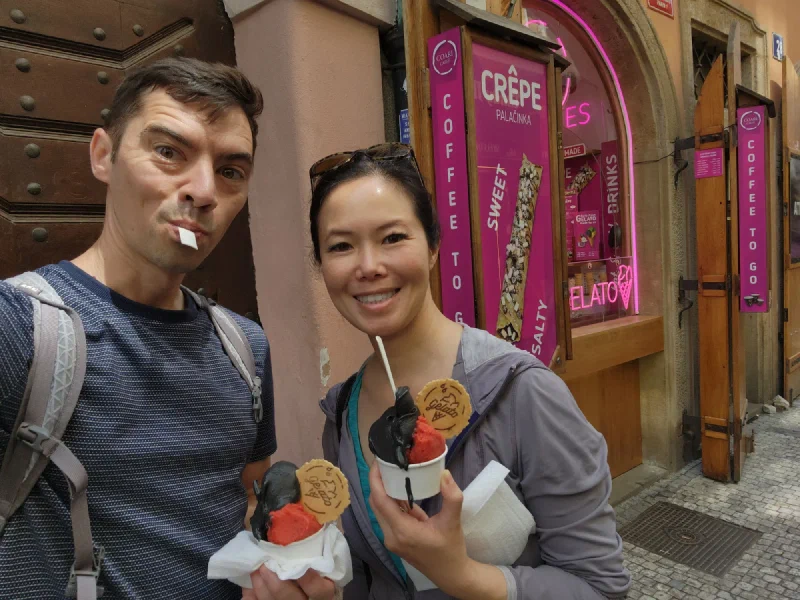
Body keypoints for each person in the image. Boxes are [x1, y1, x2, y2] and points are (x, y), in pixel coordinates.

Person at [0, 58, 329, 600]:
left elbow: (250, 498)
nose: (203, 191)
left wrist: (283, 569)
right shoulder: (21, 328)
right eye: (168, 151)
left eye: (230, 171)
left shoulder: (245, 347)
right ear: (103, 156)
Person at [309, 143, 632, 599]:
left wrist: (461, 575)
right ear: (321, 265)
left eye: (393, 238)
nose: (368, 266)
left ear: (434, 247)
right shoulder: (341, 414)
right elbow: (366, 574)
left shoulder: (523, 393)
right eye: (341, 246)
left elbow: (600, 588)